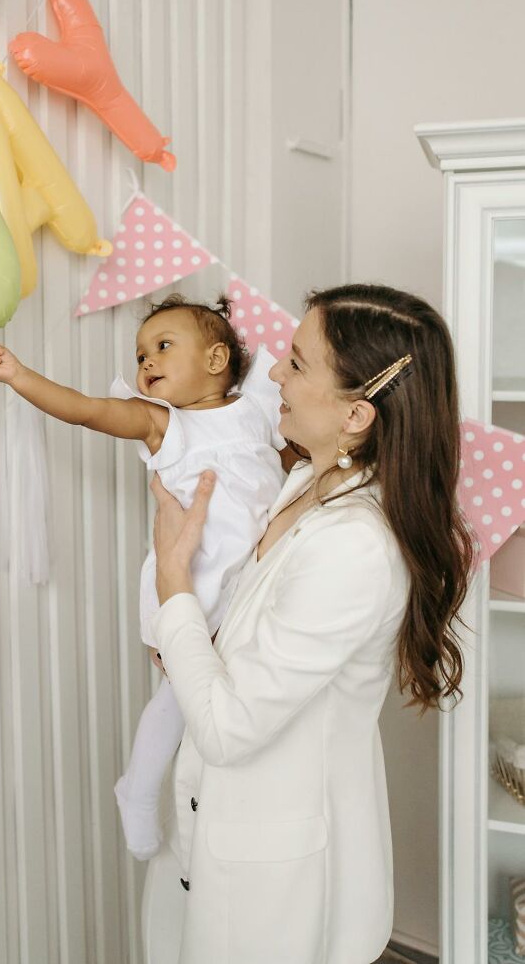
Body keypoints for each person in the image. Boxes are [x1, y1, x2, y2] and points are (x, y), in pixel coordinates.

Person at [142, 283, 476, 964]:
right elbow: (257, 640)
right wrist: (199, 643)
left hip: (274, 875)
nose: (271, 375)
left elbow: (231, 727)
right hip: (209, 830)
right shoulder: (305, 483)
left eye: (295, 363)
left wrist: (174, 590)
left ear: (357, 412)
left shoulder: (355, 545)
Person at [0, 293, 293, 861]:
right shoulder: (163, 423)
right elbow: (86, 409)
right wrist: (19, 376)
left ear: (217, 360)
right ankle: (139, 791)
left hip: (255, 582)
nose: (146, 362)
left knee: (243, 705)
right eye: (141, 354)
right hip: (193, 585)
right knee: (178, 701)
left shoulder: (258, 410)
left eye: (162, 347)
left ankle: (233, 823)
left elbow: (297, 460)